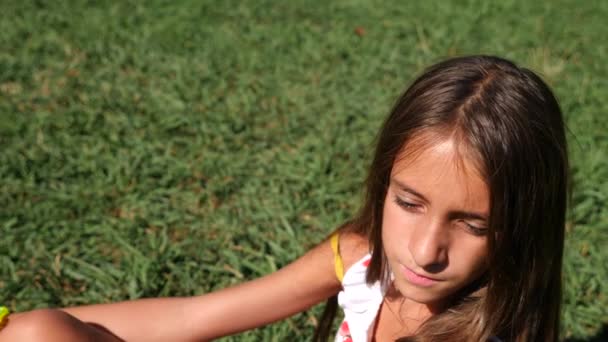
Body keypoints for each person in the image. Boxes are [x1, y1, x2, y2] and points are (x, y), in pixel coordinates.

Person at [0, 55, 569, 341]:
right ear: (383, 182)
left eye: (473, 224)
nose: (425, 250)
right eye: (409, 202)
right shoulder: (361, 260)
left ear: (525, 225)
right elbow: (194, 315)